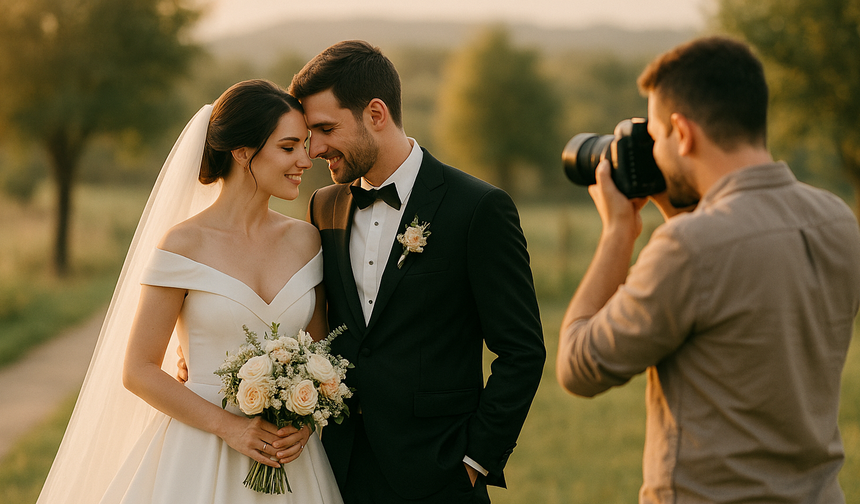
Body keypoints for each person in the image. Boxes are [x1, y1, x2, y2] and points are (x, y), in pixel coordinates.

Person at [555, 36, 860, 503]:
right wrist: (675, 207)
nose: (654, 151)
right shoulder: (836, 219)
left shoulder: (689, 249)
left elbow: (579, 365)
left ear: (683, 132)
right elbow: (730, 282)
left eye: (656, 136)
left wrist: (619, 231)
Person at [37, 80, 343, 504]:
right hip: (199, 455)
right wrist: (231, 427)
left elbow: (320, 348)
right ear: (241, 152)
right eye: (289, 147)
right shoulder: (184, 244)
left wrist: (305, 421)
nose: (306, 160)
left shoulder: (306, 240)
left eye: (305, 146)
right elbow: (138, 369)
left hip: (289, 463)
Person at [289, 40, 546, 504]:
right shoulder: (323, 207)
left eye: (326, 128)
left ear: (375, 113)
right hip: (339, 471)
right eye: (310, 133)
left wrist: (474, 462)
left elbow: (522, 351)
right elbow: (311, 321)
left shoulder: (478, 209)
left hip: (440, 475)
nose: (315, 149)